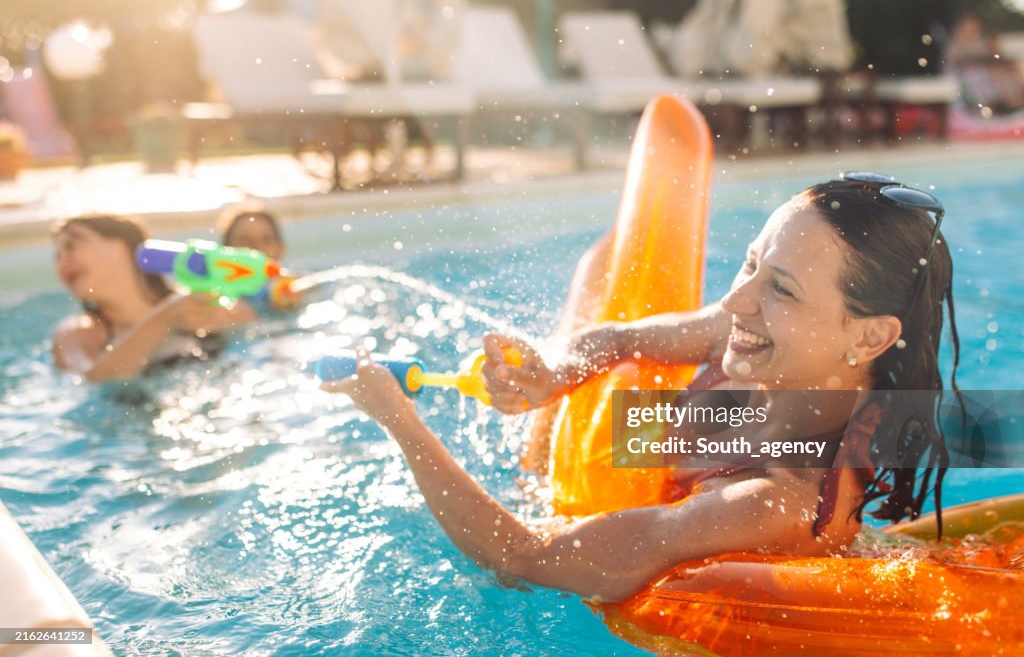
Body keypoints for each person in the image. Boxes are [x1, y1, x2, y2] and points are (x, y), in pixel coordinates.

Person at [323, 174, 958, 602]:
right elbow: (618, 341)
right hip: (662, 463)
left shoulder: (770, 505)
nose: (736, 300)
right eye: (749, 263)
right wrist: (552, 372)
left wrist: (399, 422)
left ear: (869, 338)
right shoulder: (752, 336)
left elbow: (520, 558)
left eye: (781, 289)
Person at [52, 213, 256, 382]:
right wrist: (163, 320)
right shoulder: (77, 333)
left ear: (121, 246)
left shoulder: (194, 302)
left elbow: (256, 336)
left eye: (71, 246)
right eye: (57, 256)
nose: (62, 263)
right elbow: (88, 379)